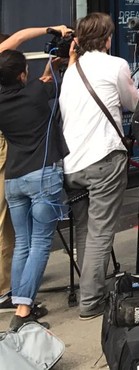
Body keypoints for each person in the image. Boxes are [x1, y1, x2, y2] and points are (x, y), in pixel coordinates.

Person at [60, 12, 139, 319]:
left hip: (72, 163)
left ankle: (88, 289)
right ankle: (92, 300)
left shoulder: (72, 70)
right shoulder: (115, 64)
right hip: (103, 157)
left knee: (85, 228)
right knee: (101, 231)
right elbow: (133, 103)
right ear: (107, 39)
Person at [0, 23, 71, 316]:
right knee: (40, 242)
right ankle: (24, 309)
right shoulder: (37, 92)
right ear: (21, 74)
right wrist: (68, 57)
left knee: (23, 244)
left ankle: (19, 298)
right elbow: (51, 82)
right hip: (42, 177)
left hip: (14, 179)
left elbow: (41, 81)